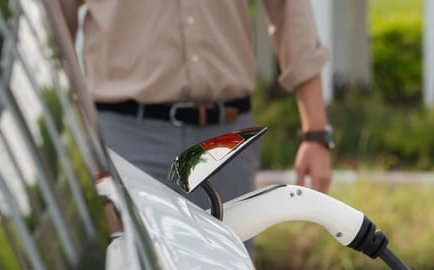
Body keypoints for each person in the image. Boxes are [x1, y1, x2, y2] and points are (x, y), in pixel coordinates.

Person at [56, 0, 335, 211]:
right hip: (125, 142)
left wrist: (315, 134)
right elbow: (54, 22)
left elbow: (290, 11)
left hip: (226, 142)